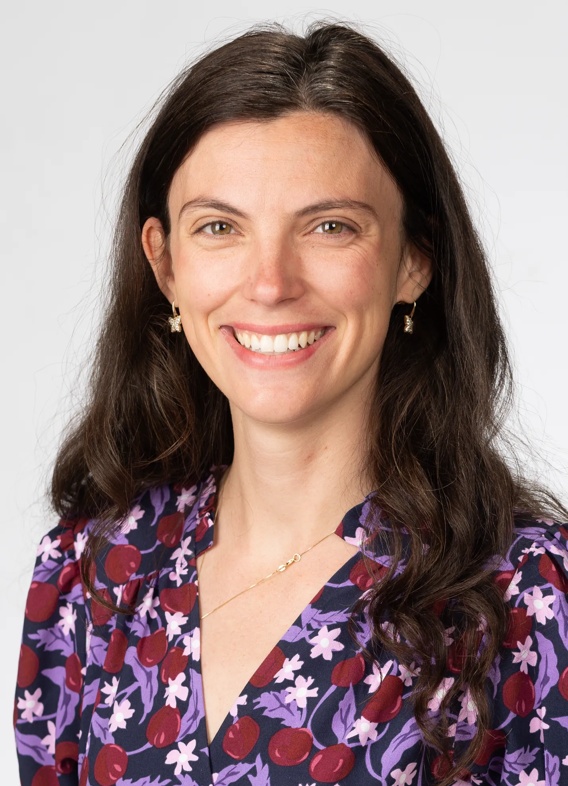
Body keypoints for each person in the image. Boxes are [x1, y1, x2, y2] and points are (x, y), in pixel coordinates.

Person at [14, 21, 568, 786]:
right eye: (219, 228)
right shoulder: (91, 575)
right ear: (165, 265)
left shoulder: (528, 601)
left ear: (415, 260)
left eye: (330, 226)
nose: (271, 282)